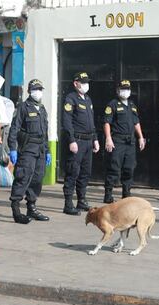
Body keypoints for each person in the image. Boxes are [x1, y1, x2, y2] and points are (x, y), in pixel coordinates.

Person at [8, 79, 51, 224]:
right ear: (29, 91)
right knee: (23, 177)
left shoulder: (42, 109)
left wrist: (48, 150)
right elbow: (14, 129)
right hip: (27, 148)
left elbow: (45, 132)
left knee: (38, 178)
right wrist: (12, 148)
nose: (38, 92)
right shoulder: (23, 107)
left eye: (40, 89)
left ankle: (31, 207)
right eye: (35, 89)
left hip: (40, 149)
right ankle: (16, 210)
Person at [61, 71, 100, 216]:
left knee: (85, 172)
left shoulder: (88, 99)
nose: (86, 85)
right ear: (75, 83)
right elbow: (67, 121)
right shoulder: (71, 98)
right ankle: (68, 203)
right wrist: (71, 140)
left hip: (89, 141)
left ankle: (82, 200)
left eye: (87, 82)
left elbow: (91, 123)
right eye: (83, 82)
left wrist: (95, 139)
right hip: (77, 140)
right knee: (73, 172)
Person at [102, 80, 146, 203]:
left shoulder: (132, 105)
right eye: (122, 88)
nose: (125, 91)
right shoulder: (113, 104)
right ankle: (108, 194)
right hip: (118, 140)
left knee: (129, 168)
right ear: (117, 90)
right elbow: (107, 122)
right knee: (114, 168)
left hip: (130, 142)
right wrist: (108, 138)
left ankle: (126, 194)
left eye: (127, 89)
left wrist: (141, 137)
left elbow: (136, 123)